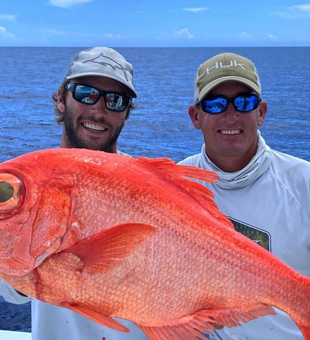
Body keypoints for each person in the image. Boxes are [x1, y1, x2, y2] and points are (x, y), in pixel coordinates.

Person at [0, 47, 149, 340]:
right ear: (60, 98)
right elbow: (12, 292)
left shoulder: (151, 190)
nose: (98, 108)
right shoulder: (34, 184)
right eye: (85, 93)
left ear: (126, 113)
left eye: (115, 100)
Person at [179, 52, 310, 340]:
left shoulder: (304, 184)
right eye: (214, 104)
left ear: (261, 112)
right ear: (195, 117)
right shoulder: (174, 186)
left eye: (244, 102)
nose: (231, 114)